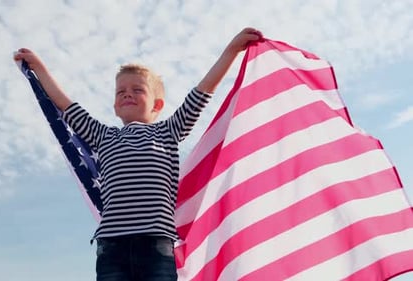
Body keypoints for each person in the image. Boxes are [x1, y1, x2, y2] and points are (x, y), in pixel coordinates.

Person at [14, 27, 263, 281]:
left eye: (137, 90)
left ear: (157, 105)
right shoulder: (101, 135)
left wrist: (231, 50)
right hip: (112, 248)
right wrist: (39, 68)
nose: (127, 94)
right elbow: (65, 104)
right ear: (115, 106)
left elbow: (201, 93)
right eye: (121, 92)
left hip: (155, 247)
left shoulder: (168, 131)